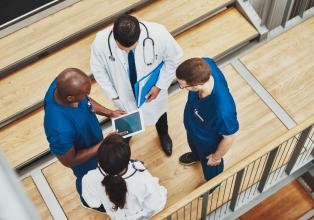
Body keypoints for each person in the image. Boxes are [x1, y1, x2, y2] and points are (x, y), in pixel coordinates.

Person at [90, 14, 183, 156]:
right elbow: (98, 71)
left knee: (159, 114)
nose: (127, 51)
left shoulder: (158, 33)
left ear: (139, 34)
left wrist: (159, 85)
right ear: (114, 36)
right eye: (122, 49)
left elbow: (175, 59)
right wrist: (114, 95)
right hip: (123, 94)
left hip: (153, 92)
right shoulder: (100, 42)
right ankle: (126, 138)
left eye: (131, 48)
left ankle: (163, 134)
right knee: (126, 117)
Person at [43, 68, 125, 211]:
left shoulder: (60, 84)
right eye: (85, 94)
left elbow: (86, 102)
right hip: (85, 162)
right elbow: (69, 160)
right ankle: (87, 200)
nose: (88, 96)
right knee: (90, 181)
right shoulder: (58, 128)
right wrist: (104, 144)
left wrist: (109, 113)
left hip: (96, 143)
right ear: (70, 98)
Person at [176, 58, 239, 183]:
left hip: (208, 143)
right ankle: (196, 156)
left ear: (196, 85)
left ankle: (213, 184)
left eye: (183, 86)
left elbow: (229, 137)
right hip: (194, 131)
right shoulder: (204, 64)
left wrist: (216, 157)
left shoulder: (223, 110)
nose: (181, 87)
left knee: (211, 168)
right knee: (194, 146)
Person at [82, 134, 167, 219]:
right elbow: (156, 205)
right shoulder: (142, 177)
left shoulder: (89, 179)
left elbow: (93, 203)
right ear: (128, 157)